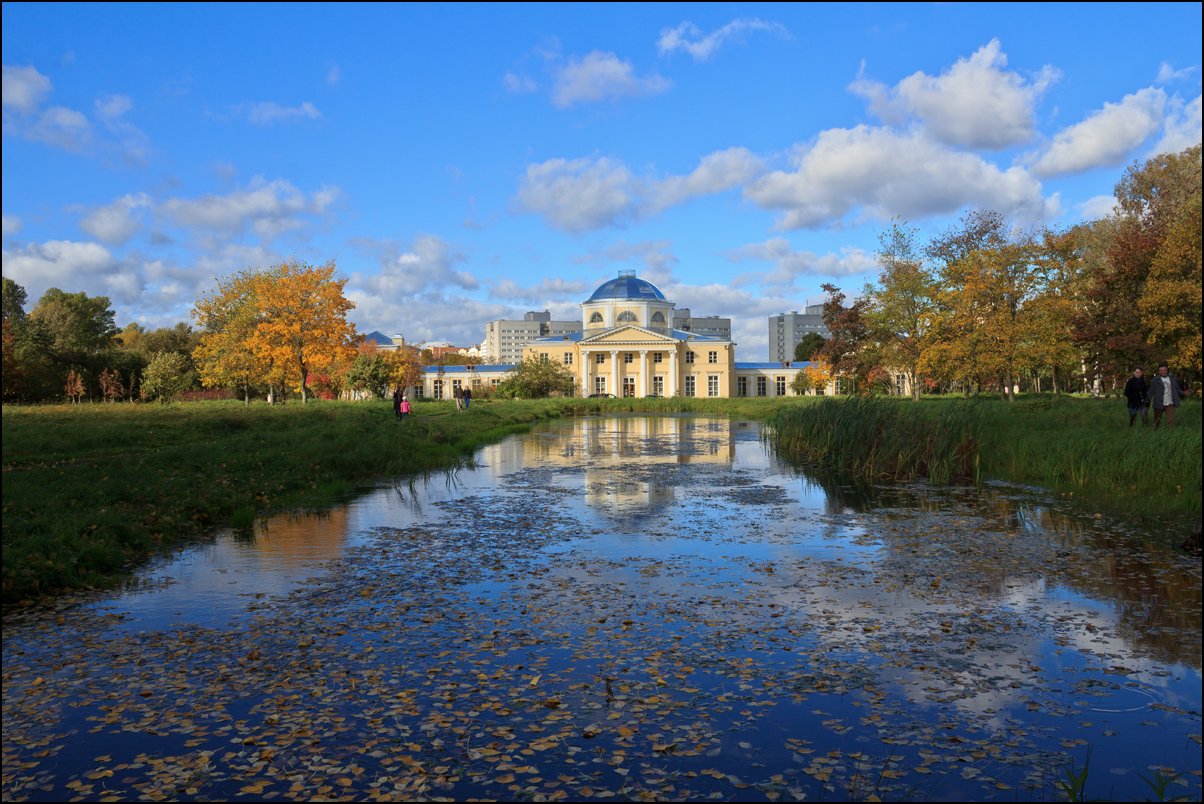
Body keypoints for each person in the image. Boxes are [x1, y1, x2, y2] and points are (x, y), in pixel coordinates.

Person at [1148, 362, 1182, 429]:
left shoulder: (1172, 378)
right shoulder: (1155, 380)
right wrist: (1146, 402)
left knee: (1171, 421)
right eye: (1162, 371)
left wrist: (1184, 393)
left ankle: (1171, 435)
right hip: (1158, 403)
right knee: (1157, 422)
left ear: (1167, 370)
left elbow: (1177, 389)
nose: (1163, 372)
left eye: (1165, 370)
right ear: (1159, 371)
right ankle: (1156, 434)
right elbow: (1150, 392)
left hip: (1169, 403)